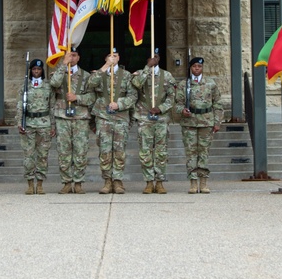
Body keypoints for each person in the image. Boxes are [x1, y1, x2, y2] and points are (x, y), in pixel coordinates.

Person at [86, 51, 137, 194]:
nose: (112, 58)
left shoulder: (126, 76)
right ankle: (107, 181)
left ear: (119, 58)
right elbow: (90, 84)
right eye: (110, 55)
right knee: (105, 151)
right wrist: (105, 66)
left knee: (119, 151)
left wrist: (120, 104)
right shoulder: (100, 73)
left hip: (120, 117)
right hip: (103, 117)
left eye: (115, 55)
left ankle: (118, 181)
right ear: (105, 57)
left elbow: (133, 96)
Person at [49, 48, 94, 193]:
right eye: (69, 55)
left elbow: (92, 98)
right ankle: (67, 182)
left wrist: (77, 98)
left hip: (80, 117)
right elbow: (54, 84)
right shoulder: (59, 73)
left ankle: (79, 182)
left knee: (80, 151)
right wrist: (63, 64)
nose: (71, 58)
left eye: (74, 55)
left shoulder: (86, 76)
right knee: (64, 151)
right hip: (62, 117)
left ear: (79, 57)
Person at [176, 56, 223, 193]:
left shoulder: (210, 83)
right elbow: (177, 103)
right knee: (191, 153)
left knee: (203, 153)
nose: (197, 69)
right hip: (189, 122)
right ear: (190, 68)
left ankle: (203, 182)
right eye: (194, 66)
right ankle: (193, 182)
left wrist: (217, 122)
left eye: (199, 66)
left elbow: (217, 104)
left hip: (206, 121)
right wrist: (181, 111)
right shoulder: (184, 84)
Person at [131, 53, 175, 194]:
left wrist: (161, 108)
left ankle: (160, 182)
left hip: (161, 119)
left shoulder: (167, 76)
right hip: (144, 117)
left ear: (159, 58)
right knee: (145, 152)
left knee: (161, 152)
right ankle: (149, 182)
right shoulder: (140, 74)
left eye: (155, 57)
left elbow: (171, 97)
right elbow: (136, 84)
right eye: (150, 57)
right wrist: (147, 69)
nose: (152, 59)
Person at [19, 58, 54, 195]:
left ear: (42, 71)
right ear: (31, 71)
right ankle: (29, 183)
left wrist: (53, 125)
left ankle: (39, 183)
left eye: (38, 69)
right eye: (34, 69)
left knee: (43, 155)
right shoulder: (25, 86)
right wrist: (19, 122)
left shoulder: (47, 86)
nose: (36, 72)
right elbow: (19, 105)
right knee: (28, 155)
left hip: (44, 123)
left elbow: (52, 106)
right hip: (29, 122)